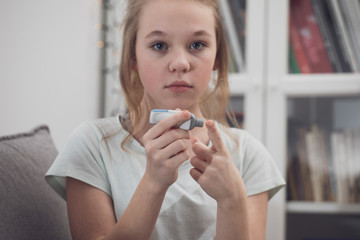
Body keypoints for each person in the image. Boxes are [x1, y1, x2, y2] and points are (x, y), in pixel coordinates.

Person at [45, 0, 285, 239]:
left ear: (218, 58)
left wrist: (232, 201)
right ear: (132, 57)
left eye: (197, 44)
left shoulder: (248, 155)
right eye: (159, 45)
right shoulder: (92, 144)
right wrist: (153, 183)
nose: (180, 63)